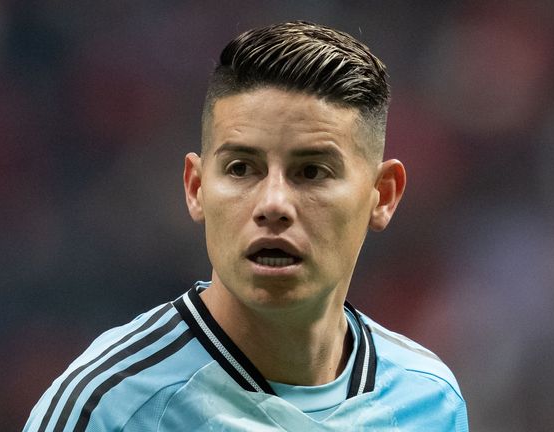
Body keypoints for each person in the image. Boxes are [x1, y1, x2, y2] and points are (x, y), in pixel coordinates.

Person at [24, 21, 468, 431]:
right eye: (241, 168)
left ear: (383, 194)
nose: (273, 204)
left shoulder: (429, 400)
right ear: (196, 188)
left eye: (312, 171)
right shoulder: (108, 408)